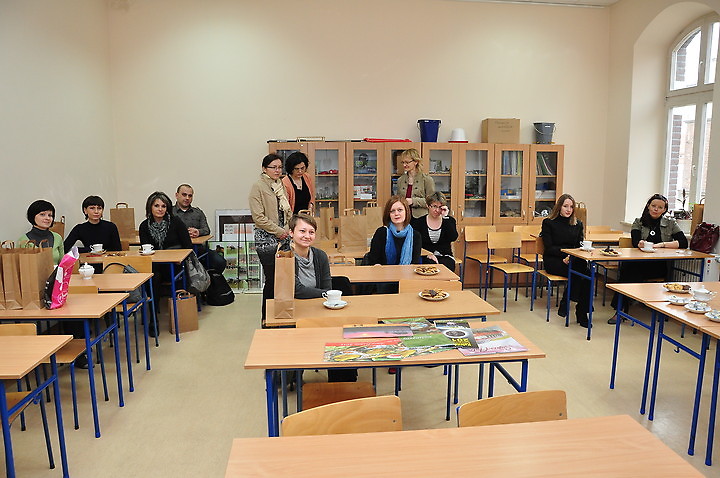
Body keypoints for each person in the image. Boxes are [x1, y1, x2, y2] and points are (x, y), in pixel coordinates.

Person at [289, 213, 356, 382]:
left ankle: (341, 380)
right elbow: (296, 290)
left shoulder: (320, 256)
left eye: (311, 232)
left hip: (319, 308)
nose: (307, 235)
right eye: (302, 231)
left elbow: (327, 288)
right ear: (291, 233)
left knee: (338, 333)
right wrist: (323, 294)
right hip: (296, 311)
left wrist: (323, 294)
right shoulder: (285, 257)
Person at [608, 193, 688, 324]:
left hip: (658, 265)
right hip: (639, 262)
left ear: (664, 210)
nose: (656, 209)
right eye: (654, 206)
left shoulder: (670, 223)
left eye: (660, 207)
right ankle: (621, 309)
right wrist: (640, 243)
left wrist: (662, 245)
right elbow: (635, 241)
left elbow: (683, 242)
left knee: (629, 272)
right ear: (648, 206)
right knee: (629, 270)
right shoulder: (638, 222)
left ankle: (621, 309)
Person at [249, 153, 292, 326]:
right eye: (273, 167)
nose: (277, 170)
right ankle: (266, 318)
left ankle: (282, 316)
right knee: (272, 279)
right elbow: (258, 217)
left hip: (283, 237)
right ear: (264, 169)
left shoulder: (280, 185)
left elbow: (286, 212)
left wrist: (287, 229)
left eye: (280, 167)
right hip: (266, 239)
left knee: (284, 279)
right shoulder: (258, 187)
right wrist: (279, 231)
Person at [540, 194, 592, 327]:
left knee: (586, 274)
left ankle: (568, 301)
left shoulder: (577, 224)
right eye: (565, 206)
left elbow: (579, 245)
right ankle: (582, 312)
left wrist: (571, 256)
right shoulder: (548, 222)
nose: (569, 210)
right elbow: (549, 247)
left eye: (571, 207)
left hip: (572, 259)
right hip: (554, 260)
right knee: (584, 273)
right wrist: (566, 254)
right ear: (559, 207)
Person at [367, 195, 422, 295]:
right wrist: (377, 266)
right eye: (392, 211)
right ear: (389, 214)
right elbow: (373, 260)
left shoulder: (415, 235)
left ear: (406, 212)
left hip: (407, 280)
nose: (396, 214)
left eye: (400, 210)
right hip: (384, 280)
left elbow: (415, 263)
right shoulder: (381, 233)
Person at [173, 183, 226, 272]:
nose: (187, 198)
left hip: (199, 250)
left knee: (220, 262)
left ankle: (208, 279)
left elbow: (206, 230)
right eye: (184, 195)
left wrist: (198, 232)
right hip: (178, 250)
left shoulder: (198, 212)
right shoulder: (170, 213)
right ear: (176, 195)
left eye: (190, 196)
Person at [411, 192, 458, 272]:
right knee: (429, 265)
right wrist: (428, 254)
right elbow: (415, 244)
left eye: (440, 207)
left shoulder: (449, 221)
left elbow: (453, 237)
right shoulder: (419, 222)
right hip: (425, 256)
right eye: (434, 206)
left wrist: (445, 217)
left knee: (447, 265)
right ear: (428, 206)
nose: (437, 210)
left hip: (445, 256)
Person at [19, 200, 64, 265]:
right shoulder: (23, 241)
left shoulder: (58, 237)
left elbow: (63, 264)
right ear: (33, 216)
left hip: (56, 271)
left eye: (50, 215)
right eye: (42, 214)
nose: (47, 218)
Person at [395, 148, 435, 219]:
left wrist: (413, 201)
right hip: (404, 217)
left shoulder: (426, 179)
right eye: (403, 162)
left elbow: (432, 202)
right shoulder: (400, 180)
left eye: (407, 162)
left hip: (421, 218)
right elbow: (398, 199)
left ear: (416, 162)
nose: (404, 165)